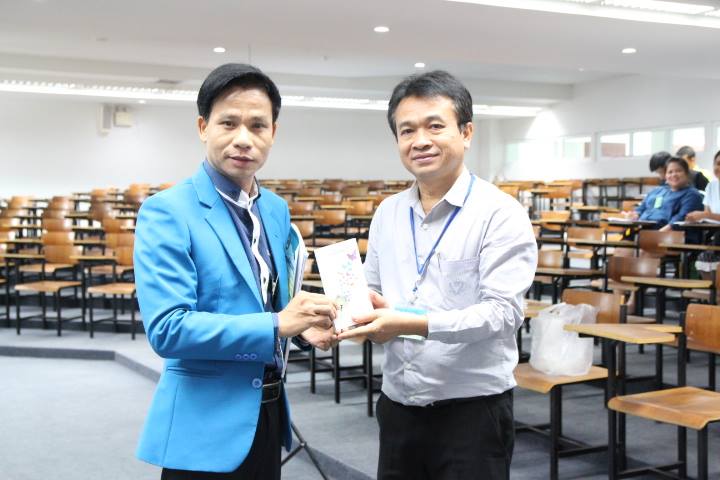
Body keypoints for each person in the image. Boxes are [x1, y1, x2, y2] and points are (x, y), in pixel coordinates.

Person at [133, 63, 338, 479]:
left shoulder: (275, 210)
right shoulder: (168, 211)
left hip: (268, 414)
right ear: (203, 127)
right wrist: (278, 325)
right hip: (204, 425)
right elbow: (169, 329)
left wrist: (301, 331)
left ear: (273, 133)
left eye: (258, 125)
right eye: (229, 123)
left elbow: (272, 303)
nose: (244, 138)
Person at [338, 70, 537, 480]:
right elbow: (371, 289)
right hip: (398, 405)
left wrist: (411, 323)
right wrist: (347, 317)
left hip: (472, 412)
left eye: (434, 126)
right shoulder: (388, 212)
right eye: (407, 130)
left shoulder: (500, 213)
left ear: (466, 132)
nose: (420, 141)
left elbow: (502, 314)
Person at [626, 156, 703, 232]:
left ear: (687, 173)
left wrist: (657, 235)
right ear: (665, 175)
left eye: (678, 171)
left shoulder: (692, 195)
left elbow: (679, 220)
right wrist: (634, 215)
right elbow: (640, 209)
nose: (674, 175)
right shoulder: (656, 191)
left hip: (668, 235)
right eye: (670, 172)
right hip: (642, 230)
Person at [686, 150, 720, 223]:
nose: (719, 167)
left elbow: (707, 215)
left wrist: (705, 215)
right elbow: (708, 215)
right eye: (717, 164)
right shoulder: (711, 186)